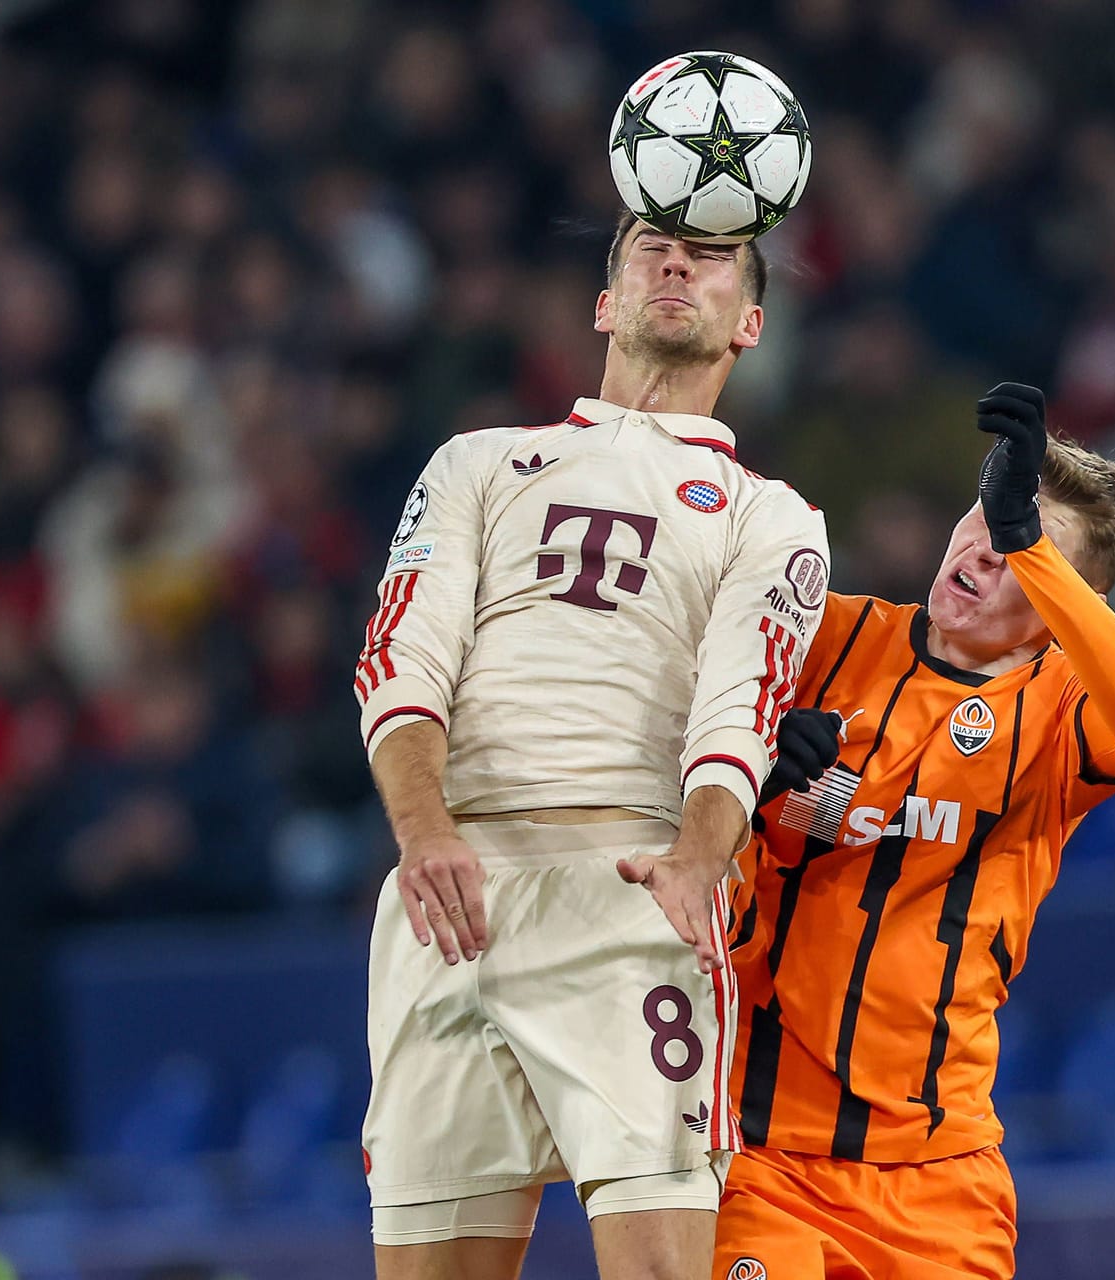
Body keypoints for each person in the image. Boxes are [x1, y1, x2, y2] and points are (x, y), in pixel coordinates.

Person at [354, 209, 829, 1280]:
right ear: (606, 303)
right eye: (652, 247)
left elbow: (740, 708)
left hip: (632, 888)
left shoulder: (771, 516)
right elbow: (401, 656)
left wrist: (701, 861)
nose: (676, 260)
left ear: (747, 322)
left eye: (709, 255)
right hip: (450, 900)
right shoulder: (477, 462)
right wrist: (424, 830)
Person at [713, 382, 1115, 1280]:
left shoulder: (1058, 721)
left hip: (942, 1178)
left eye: (1022, 544)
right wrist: (748, 766)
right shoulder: (830, 639)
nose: (985, 546)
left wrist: (1030, 545)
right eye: (987, 516)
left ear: (1063, 605)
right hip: (761, 1156)